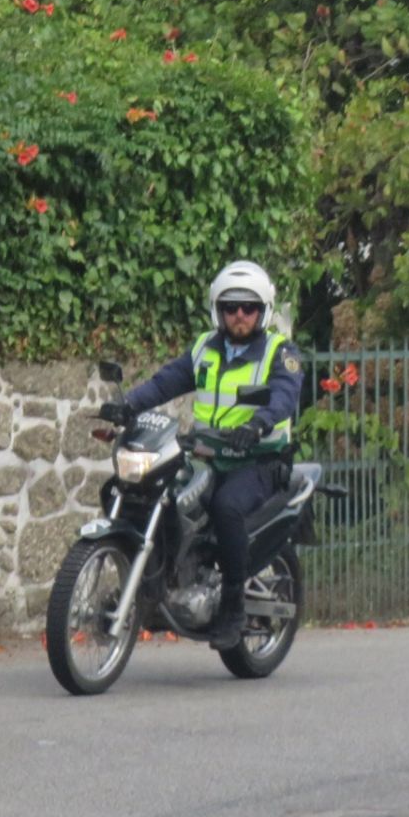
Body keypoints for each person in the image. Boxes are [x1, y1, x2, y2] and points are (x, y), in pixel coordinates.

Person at [101, 261, 303, 649]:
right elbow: (166, 382)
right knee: (142, 490)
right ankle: (153, 583)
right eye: (231, 307)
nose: (240, 315)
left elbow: (283, 396)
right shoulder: (204, 349)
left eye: (249, 308)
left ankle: (232, 607)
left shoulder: (281, 353)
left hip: (259, 460)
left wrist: (257, 424)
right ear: (218, 310)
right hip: (208, 455)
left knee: (227, 508)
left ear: (263, 311)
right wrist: (127, 405)